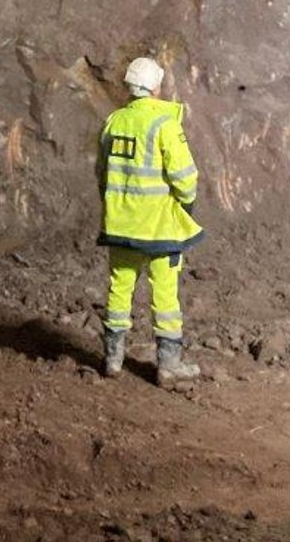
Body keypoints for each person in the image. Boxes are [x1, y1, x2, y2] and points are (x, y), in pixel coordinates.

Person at [97, 56, 204, 384]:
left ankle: (113, 360)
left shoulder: (114, 121)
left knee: (119, 289)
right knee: (165, 295)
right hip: (160, 228)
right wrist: (186, 204)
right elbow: (185, 178)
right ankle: (168, 365)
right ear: (156, 87)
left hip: (120, 225)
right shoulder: (165, 124)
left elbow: (102, 172)